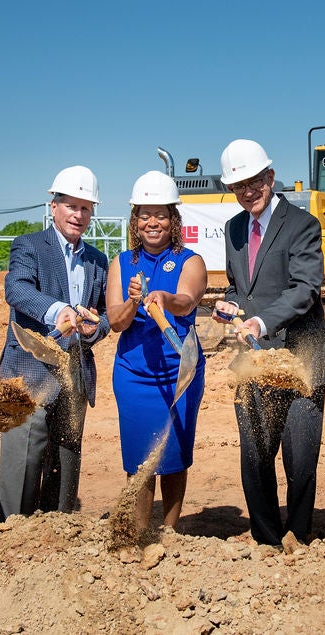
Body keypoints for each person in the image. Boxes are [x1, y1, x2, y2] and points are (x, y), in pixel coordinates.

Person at [211, 139, 325, 546]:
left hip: (300, 357)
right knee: (255, 454)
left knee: (300, 458)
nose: (247, 192)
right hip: (253, 360)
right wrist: (229, 305)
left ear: (270, 176)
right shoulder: (233, 228)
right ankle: (265, 537)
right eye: (238, 186)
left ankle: (298, 536)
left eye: (253, 182)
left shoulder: (303, 224)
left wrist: (260, 322)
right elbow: (239, 286)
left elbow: (305, 289)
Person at [0, 166, 110, 521]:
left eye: (85, 208)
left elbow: (105, 313)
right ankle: (12, 539)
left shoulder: (97, 260)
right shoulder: (29, 246)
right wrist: (58, 310)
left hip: (74, 372)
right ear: (54, 205)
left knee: (66, 463)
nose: (78, 214)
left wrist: (95, 329)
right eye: (70, 205)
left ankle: (57, 538)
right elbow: (16, 290)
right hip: (31, 371)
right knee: (24, 462)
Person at [107, 171, 207, 530]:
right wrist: (134, 303)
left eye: (161, 214)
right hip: (134, 374)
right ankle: (139, 532)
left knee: (175, 456)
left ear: (173, 220)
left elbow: (187, 300)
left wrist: (163, 298)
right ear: (135, 221)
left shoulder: (190, 260)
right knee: (139, 458)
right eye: (145, 215)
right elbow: (116, 322)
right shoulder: (121, 263)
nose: (153, 222)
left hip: (181, 370)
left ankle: (170, 532)